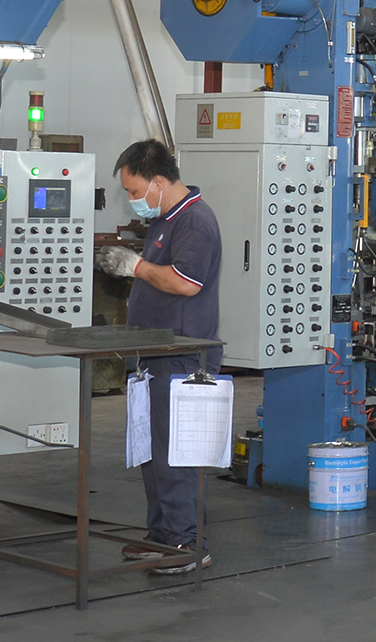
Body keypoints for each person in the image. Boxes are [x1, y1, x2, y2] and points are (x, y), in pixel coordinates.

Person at [96, 140, 223, 572]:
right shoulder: (164, 221)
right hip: (157, 355)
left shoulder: (195, 221)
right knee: (153, 454)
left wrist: (134, 267)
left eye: (134, 191)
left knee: (177, 455)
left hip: (184, 357)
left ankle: (187, 543)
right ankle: (163, 535)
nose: (133, 199)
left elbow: (186, 282)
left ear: (157, 181)